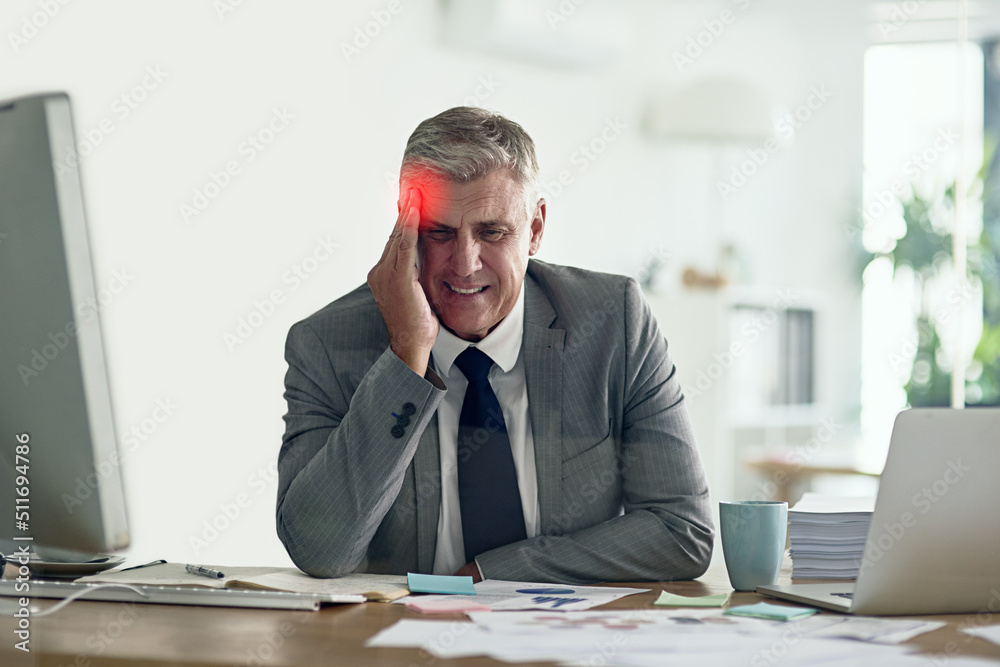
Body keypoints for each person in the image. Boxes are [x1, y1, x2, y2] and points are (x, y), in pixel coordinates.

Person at [276, 107, 713, 584]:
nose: (464, 264)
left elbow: (682, 531)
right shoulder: (324, 344)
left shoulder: (614, 321)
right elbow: (319, 550)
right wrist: (406, 354)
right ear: (403, 233)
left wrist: (499, 572)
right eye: (438, 232)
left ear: (536, 229)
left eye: (492, 232)